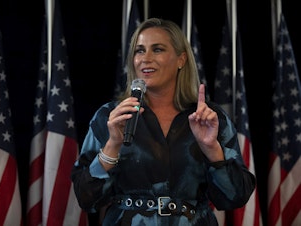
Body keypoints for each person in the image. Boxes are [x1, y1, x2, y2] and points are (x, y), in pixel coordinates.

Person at [71, 17, 256, 226]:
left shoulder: (209, 118)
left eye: (157, 49)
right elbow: (85, 198)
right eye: (139, 50)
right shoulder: (111, 116)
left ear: (181, 60)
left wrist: (211, 149)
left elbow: (236, 197)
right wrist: (112, 145)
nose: (145, 58)